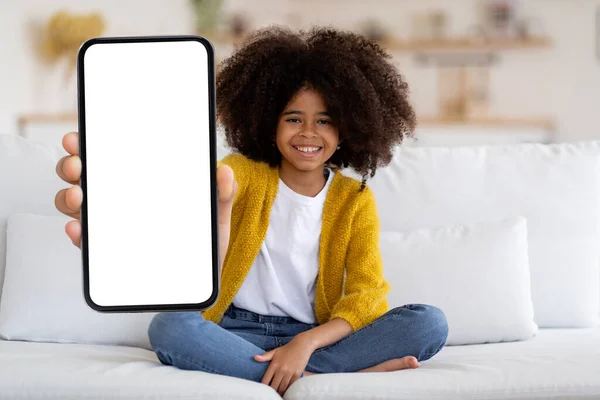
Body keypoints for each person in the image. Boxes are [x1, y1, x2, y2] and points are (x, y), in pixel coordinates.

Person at [54, 26, 448, 396]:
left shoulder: (354, 199)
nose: (308, 133)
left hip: (313, 335)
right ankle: (318, 380)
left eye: (324, 121)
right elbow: (186, 214)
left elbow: (366, 294)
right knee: (170, 326)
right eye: (293, 118)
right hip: (236, 331)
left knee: (429, 322)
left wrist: (305, 343)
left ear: (345, 130)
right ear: (268, 122)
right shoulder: (240, 173)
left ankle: (290, 372)